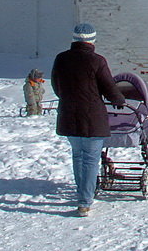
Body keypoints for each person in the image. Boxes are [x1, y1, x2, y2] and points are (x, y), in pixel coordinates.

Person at [51, 22, 125, 217]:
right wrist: (118, 100)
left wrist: (69, 98)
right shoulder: (97, 61)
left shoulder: (61, 59)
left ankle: (81, 193)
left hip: (68, 116)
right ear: (92, 40)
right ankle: (85, 202)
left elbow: (56, 86)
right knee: (91, 159)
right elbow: (109, 87)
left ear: (74, 39)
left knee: (78, 156)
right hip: (92, 118)